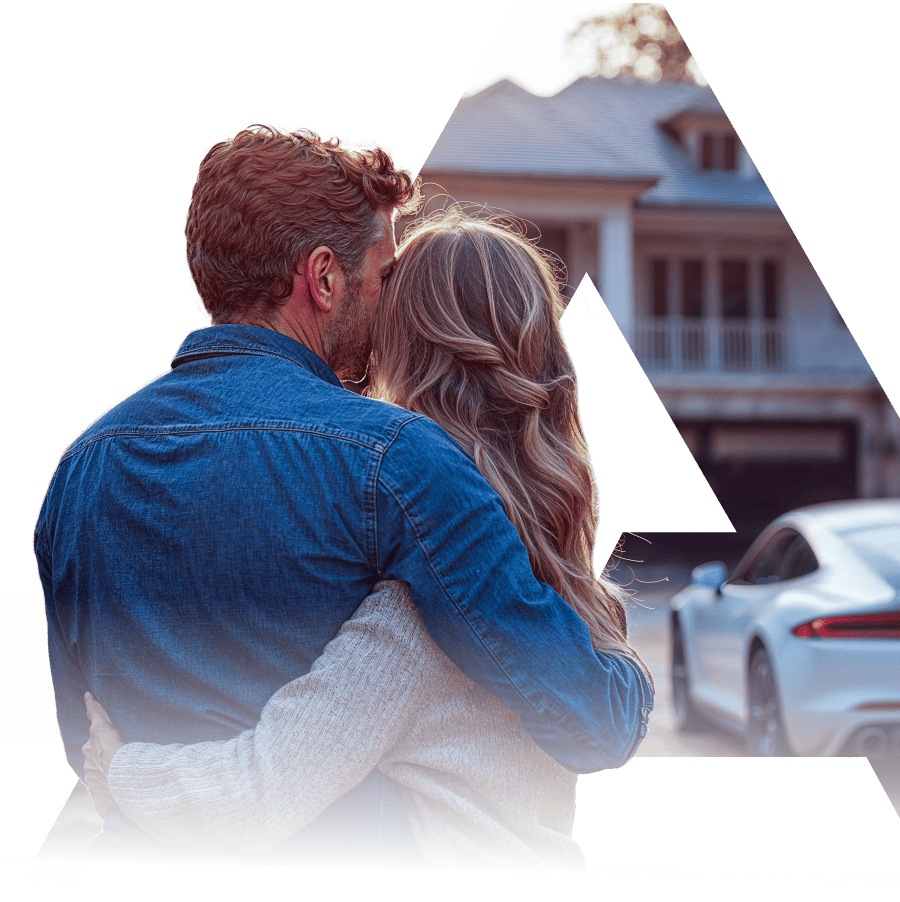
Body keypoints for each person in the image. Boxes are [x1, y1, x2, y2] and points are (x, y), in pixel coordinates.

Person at [34, 124, 651, 861]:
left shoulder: (78, 470)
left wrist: (122, 781)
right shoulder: (397, 462)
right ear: (324, 278)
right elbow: (583, 713)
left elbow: (87, 733)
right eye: (381, 274)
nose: (383, 300)